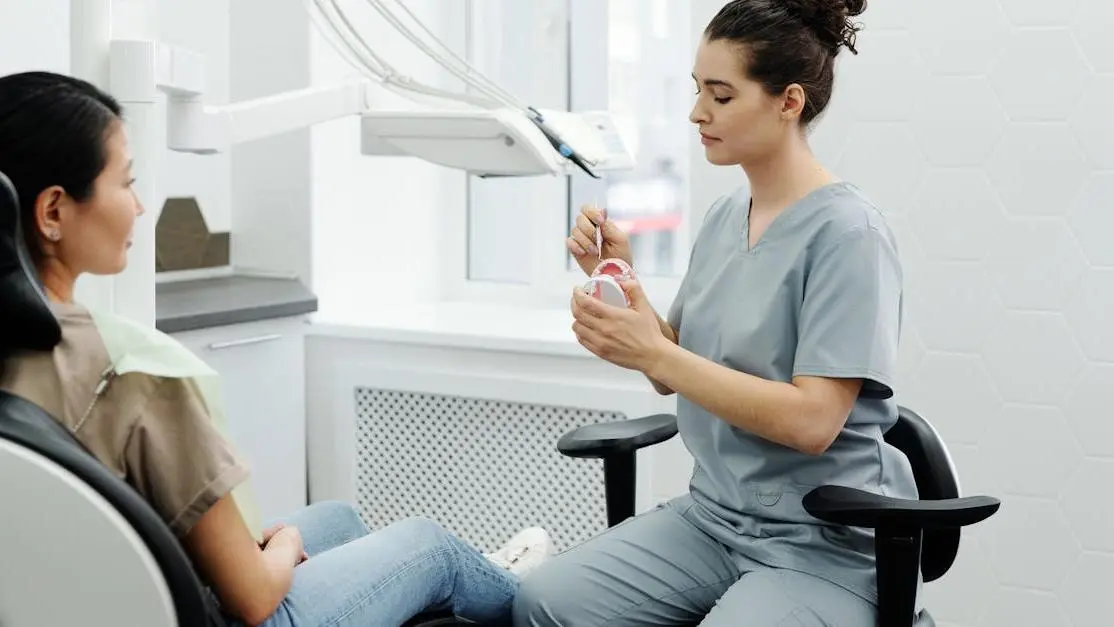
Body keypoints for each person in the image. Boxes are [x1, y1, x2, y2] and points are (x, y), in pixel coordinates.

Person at [0, 70, 553, 627]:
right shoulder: (136, 372)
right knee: (433, 549)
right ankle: (518, 595)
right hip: (212, 613)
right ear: (53, 211)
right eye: (126, 183)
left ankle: (467, 587)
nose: (140, 207)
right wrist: (283, 546)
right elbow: (256, 598)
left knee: (337, 521)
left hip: (81, 599)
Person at [518, 0, 918, 625]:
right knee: (544, 602)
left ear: (789, 102)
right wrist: (620, 288)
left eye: (721, 96)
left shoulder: (849, 234)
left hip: (822, 541)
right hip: (713, 519)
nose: (697, 112)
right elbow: (671, 368)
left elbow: (814, 422)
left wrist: (656, 352)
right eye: (697, 89)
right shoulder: (724, 217)